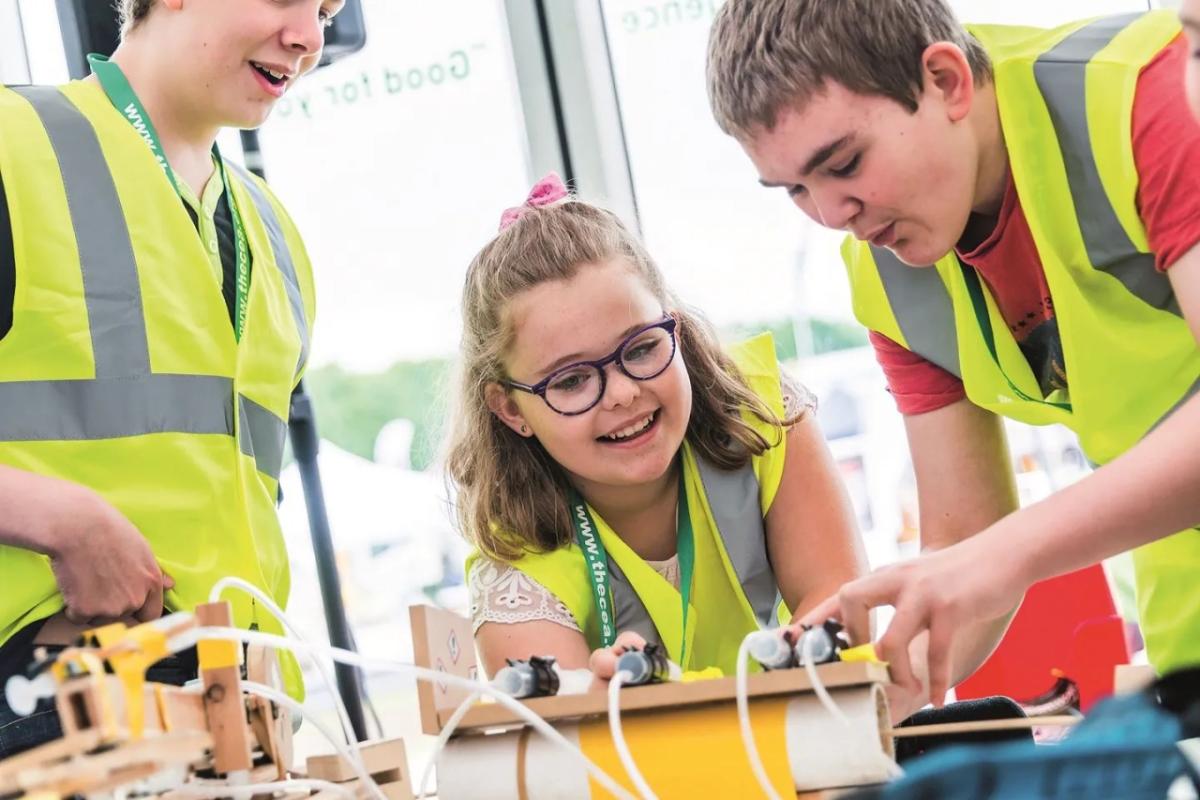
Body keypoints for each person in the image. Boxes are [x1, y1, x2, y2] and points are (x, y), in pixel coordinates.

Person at [705, 0, 1200, 715]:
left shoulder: (1151, 91)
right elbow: (966, 534)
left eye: (843, 164)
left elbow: (989, 552)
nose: (830, 215)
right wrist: (858, 689)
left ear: (945, 81)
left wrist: (1008, 554)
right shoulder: (887, 270)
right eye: (795, 191)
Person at [0, 0, 338, 756]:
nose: (310, 37)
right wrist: (60, 519)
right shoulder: (10, 144)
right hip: (42, 701)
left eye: (325, 9)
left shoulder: (275, 236)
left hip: (242, 709)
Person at [445, 174, 866, 681]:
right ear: (510, 409)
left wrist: (658, 693)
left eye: (642, 348)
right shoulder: (513, 562)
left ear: (676, 329)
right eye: (573, 380)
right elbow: (573, 744)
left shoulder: (764, 410)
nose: (623, 393)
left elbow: (844, 618)